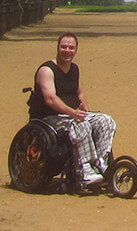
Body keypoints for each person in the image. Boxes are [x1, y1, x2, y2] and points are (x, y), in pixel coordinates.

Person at [30, 32, 116, 187]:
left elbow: (79, 93)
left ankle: (101, 162)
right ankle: (85, 170)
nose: (67, 51)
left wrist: (87, 112)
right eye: (64, 47)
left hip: (71, 115)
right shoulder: (47, 70)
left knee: (105, 121)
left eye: (71, 48)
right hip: (49, 118)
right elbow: (50, 99)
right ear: (58, 48)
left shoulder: (74, 69)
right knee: (80, 124)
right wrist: (73, 113)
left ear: (76, 50)